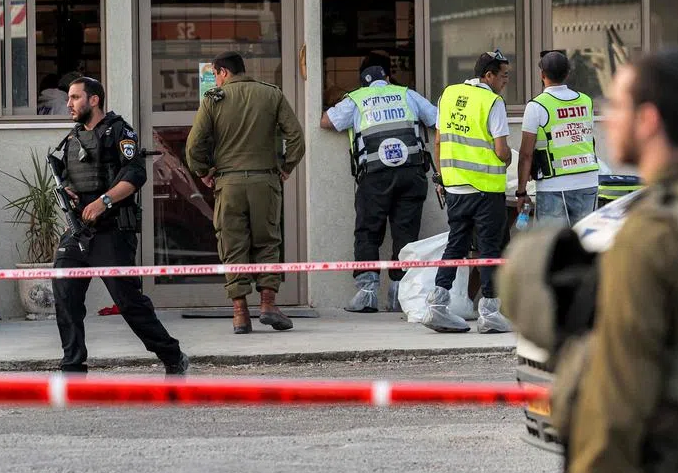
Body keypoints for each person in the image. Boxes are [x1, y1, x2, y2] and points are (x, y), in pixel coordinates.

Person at [505, 49, 678, 473]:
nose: (608, 120)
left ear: (647, 121)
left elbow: (617, 398)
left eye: (619, 107)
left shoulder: (649, 235)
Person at [51, 76, 188, 374]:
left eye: (75, 98)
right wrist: (70, 191)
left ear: (94, 100)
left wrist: (104, 202)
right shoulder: (72, 139)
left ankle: (171, 354)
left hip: (112, 229)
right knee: (65, 296)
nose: (69, 104)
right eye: (69, 98)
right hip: (78, 232)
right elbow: (75, 178)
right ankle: (73, 365)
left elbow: (136, 174)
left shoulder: (118, 132)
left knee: (128, 302)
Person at [185, 51, 305, 335]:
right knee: (267, 242)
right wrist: (286, 167)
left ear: (223, 72)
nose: (215, 79)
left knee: (232, 244)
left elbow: (193, 146)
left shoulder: (214, 99)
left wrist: (203, 172)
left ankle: (240, 314)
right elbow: (296, 137)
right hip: (265, 181)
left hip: (229, 184)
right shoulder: (271, 95)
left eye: (215, 74)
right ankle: (267, 304)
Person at [320, 53, 438, 313]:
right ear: (387, 77)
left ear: (363, 83)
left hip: (375, 175)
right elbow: (436, 119)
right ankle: (399, 296)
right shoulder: (406, 94)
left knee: (368, 232)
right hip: (411, 173)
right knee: (405, 235)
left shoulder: (356, 99)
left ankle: (367, 294)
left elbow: (327, 122)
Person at [423, 50, 514, 334]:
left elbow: (438, 142)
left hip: (455, 188)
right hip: (486, 191)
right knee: (490, 250)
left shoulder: (448, 95)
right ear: (488, 75)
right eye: (503, 76)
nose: (505, 82)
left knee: (456, 245)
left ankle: (438, 306)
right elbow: (501, 151)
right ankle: (489, 312)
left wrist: (441, 177)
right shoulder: (492, 102)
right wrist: (509, 158)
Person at [515, 50, 600, 227]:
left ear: (542, 74)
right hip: (588, 181)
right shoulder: (586, 101)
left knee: (552, 246)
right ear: (568, 74)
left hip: (553, 186)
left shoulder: (536, 106)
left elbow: (525, 154)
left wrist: (521, 192)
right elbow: (588, 140)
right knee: (585, 243)